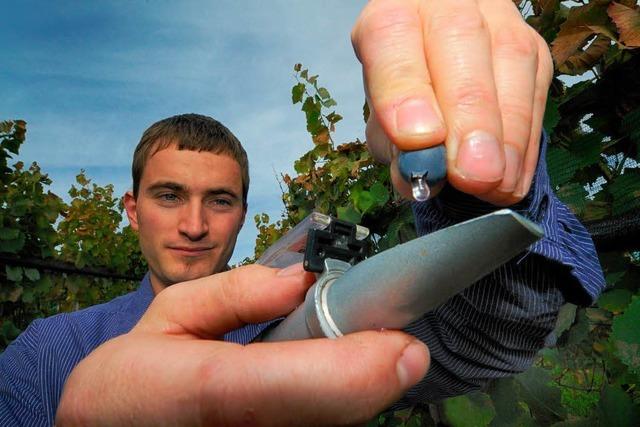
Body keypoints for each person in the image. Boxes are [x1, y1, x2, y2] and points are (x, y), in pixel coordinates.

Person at [0, 0, 605, 425]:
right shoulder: (45, 352)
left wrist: (478, 185)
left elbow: (487, 344)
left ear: (242, 216)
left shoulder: (309, 320)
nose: (193, 225)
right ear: (131, 210)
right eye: (168, 196)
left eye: (220, 200)